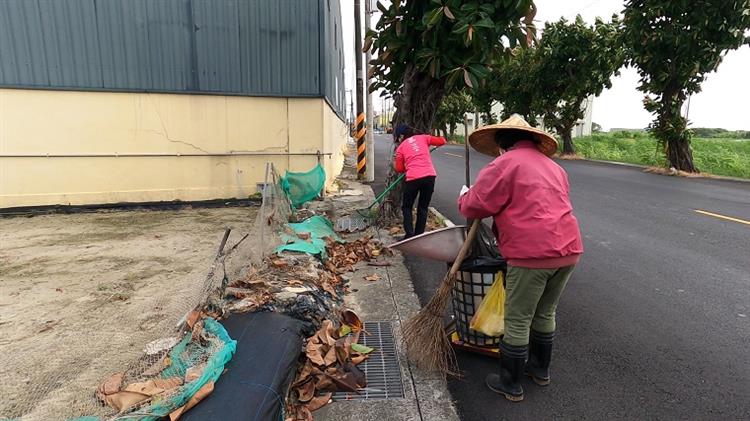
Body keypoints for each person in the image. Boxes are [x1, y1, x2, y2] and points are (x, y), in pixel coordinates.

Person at [457, 115, 583, 402]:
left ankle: (510, 382)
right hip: (570, 249)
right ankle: (539, 370)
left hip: (532, 253)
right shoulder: (555, 167)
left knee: (517, 318)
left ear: (502, 144)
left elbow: (477, 205)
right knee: (545, 312)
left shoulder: (504, 164)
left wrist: (464, 198)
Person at [393, 125, 446, 238]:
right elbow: (442, 141)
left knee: (407, 207)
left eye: (398, 138)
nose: (398, 140)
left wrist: (407, 163)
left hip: (413, 179)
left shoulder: (401, 148)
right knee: (423, 207)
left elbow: (399, 169)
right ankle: (419, 235)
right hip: (430, 177)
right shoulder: (423, 138)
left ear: (401, 136)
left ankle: (409, 234)